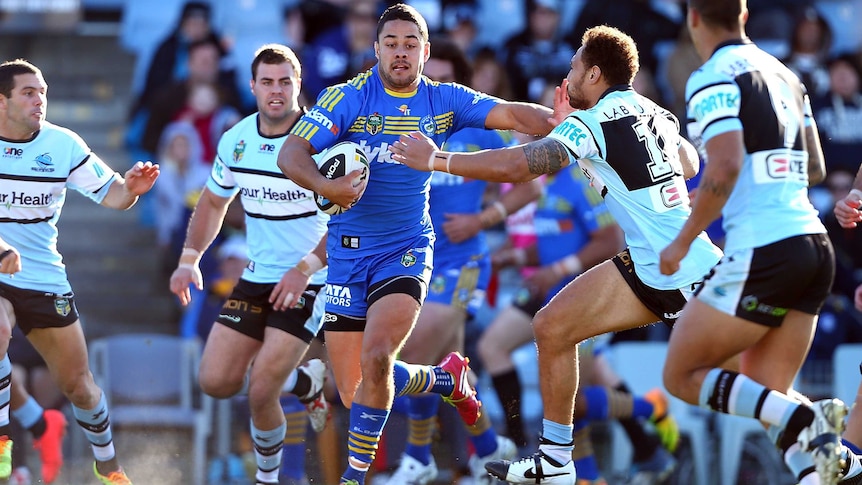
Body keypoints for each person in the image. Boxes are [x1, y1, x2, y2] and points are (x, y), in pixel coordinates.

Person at [389, 25, 724, 484]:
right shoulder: (652, 111)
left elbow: (518, 167)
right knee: (550, 328)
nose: (567, 76)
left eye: (574, 68)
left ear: (594, 75)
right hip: (651, 267)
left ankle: (806, 429)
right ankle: (555, 462)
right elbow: (689, 163)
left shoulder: (591, 125)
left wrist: (435, 159)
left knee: (708, 382)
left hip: (678, 270)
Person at [277, 4, 566, 484]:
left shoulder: (444, 100)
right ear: (376, 50)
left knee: (378, 359)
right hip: (348, 257)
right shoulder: (346, 98)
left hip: (407, 250)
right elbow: (292, 153)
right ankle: (445, 379)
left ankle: (357, 477)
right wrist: (328, 189)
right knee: (355, 391)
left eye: (411, 44)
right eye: (391, 43)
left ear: (425, 52)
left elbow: (512, 112)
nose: (400, 52)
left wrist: (564, 121)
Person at [658, 1, 854, 484]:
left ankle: (808, 421)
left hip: (767, 246)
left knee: (681, 376)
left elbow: (723, 166)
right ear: (744, 17)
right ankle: (825, 465)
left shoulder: (711, 76)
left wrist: (682, 242)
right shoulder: (787, 73)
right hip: (814, 243)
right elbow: (817, 168)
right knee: (770, 396)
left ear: (694, 18)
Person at [168, 44, 331, 485]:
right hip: (256, 277)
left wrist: (306, 266)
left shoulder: (326, 139)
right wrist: (189, 259)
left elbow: (353, 219)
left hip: (311, 279)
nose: (276, 91)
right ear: (253, 86)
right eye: (267, 82)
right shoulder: (236, 138)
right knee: (216, 381)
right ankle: (305, 383)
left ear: (299, 85)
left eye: (285, 82)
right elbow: (212, 203)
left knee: (261, 388)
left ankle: (268, 479)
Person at [381, 37, 540, 485]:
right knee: (445, 366)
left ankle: (418, 455)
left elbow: (531, 185)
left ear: (459, 84)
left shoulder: (481, 129)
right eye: (431, 79)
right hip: (414, 262)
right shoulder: (398, 127)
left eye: (446, 79)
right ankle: (488, 450)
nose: (436, 85)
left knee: (412, 354)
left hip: (464, 261)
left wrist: (483, 218)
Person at [0, 58, 160, 484]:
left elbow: (113, 195)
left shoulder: (62, 143)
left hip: (42, 278)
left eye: (43, 92)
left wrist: (131, 189)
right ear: (2, 101)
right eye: (28, 92)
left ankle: (107, 464)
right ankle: (4, 453)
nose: (40, 100)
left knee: (79, 386)